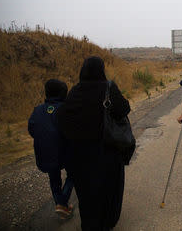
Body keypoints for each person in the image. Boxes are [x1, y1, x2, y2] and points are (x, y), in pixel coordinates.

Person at [57, 56, 130, 230]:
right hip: (107, 153)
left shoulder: (75, 91)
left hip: (80, 156)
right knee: (109, 191)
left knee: (87, 195)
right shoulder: (108, 88)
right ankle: (107, 223)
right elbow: (124, 109)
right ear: (101, 70)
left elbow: (61, 117)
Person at [28, 79, 74, 218]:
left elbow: (32, 129)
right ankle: (62, 202)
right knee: (73, 174)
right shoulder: (66, 110)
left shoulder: (38, 109)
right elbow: (72, 131)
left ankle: (62, 206)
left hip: (45, 152)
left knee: (54, 178)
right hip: (64, 151)